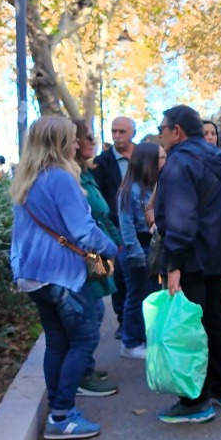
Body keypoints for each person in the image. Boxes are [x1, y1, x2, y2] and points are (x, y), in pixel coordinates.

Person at [10, 116, 118, 440]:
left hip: (33, 275)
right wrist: (112, 249)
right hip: (62, 274)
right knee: (83, 339)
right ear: (58, 144)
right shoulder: (59, 178)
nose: (76, 144)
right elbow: (83, 230)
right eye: (71, 139)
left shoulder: (26, 179)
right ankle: (62, 415)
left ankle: (60, 411)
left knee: (57, 342)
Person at [154, 104, 221, 424]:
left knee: (188, 328)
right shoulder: (218, 157)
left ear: (177, 130)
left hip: (192, 256)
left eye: (162, 128)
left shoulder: (180, 161)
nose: (161, 135)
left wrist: (173, 261)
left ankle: (195, 399)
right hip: (217, 253)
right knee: (216, 322)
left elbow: (180, 215)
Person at [72, 119, 122, 397]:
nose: (94, 141)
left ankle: (86, 367)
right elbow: (86, 222)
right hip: (86, 254)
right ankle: (81, 374)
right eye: (87, 137)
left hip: (99, 252)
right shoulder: (71, 178)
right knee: (91, 314)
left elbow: (102, 214)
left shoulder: (87, 174)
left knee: (96, 310)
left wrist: (114, 242)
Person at [117, 142, 166, 359]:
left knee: (151, 295)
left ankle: (146, 339)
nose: (166, 161)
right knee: (137, 297)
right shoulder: (130, 190)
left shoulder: (156, 185)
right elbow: (126, 226)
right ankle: (130, 342)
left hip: (152, 246)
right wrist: (137, 255)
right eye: (162, 157)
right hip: (139, 247)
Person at [92, 116, 136, 339]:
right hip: (117, 227)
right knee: (120, 276)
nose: (117, 136)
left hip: (144, 225)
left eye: (122, 131)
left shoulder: (143, 155)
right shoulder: (102, 162)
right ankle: (123, 321)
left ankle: (141, 321)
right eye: (114, 131)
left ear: (132, 133)